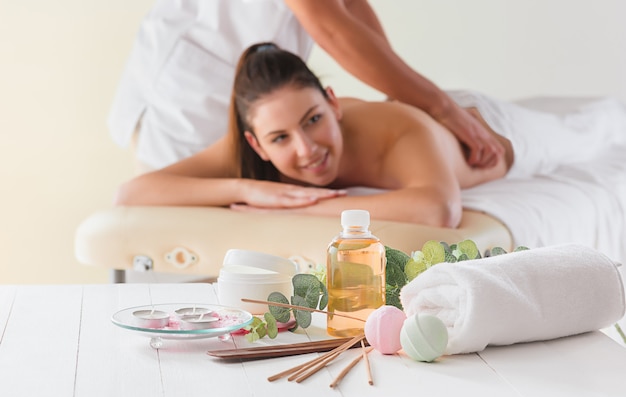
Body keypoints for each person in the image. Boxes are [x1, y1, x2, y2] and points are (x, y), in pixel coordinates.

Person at [114, 43, 626, 228]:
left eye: (314, 119)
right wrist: (248, 189)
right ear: (255, 144)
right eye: (280, 139)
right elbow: (133, 193)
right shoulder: (256, 146)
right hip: (441, 122)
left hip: (496, 131)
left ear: (334, 103)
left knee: (589, 129)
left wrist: (297, 205)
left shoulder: (397, 131)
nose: (306, 150)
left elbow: (437, 211)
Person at [108, 0, 503, 172]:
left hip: (228, 70)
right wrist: (439, 107)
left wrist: (402, 101)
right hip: (192, 91)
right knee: (199, 237)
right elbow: (332, 28)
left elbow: (348, 6)